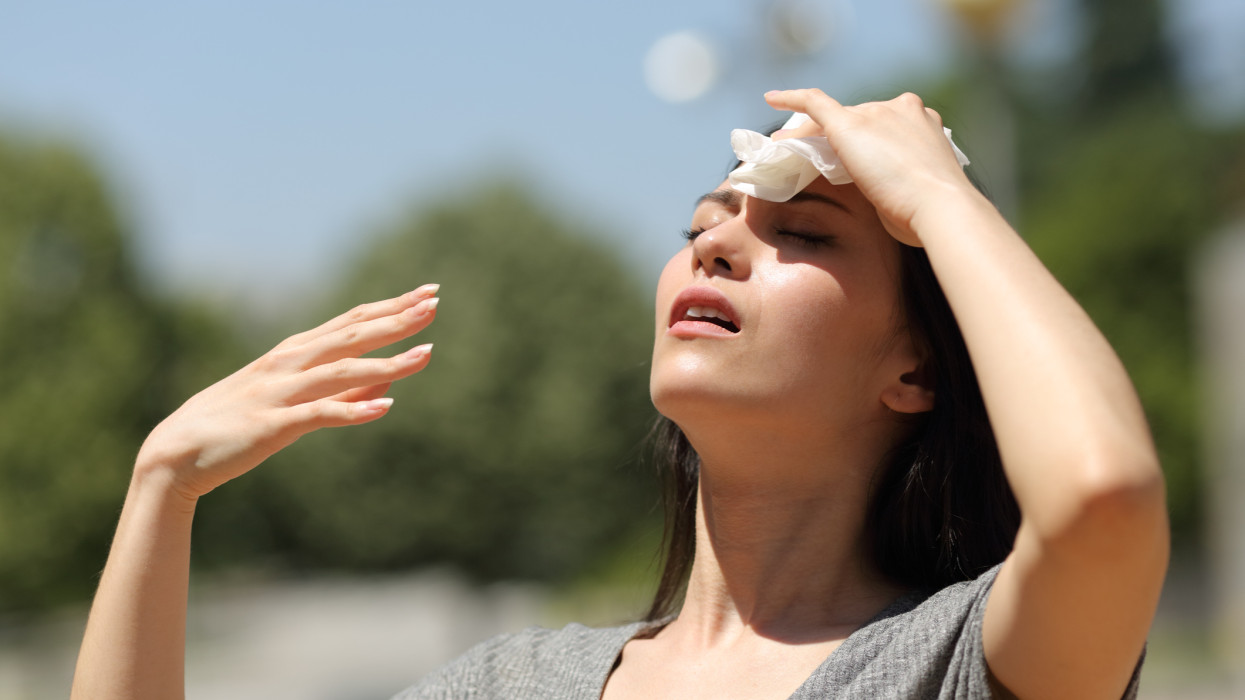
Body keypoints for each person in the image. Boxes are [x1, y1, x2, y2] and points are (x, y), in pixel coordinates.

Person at [71, 90, 1169, 700]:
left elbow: (1101, 500)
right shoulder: (511, 688)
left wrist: (934, 189)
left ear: (916, 369)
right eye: (700, 227)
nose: (720, 247)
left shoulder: (959, 664)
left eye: (803, 232)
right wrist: (161, 491)